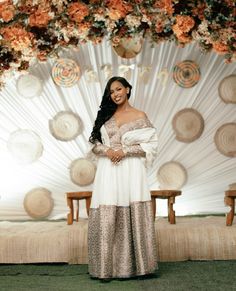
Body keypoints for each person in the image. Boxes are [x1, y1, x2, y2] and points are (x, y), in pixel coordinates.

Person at [88, 76, 158, 281]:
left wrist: (124, 151)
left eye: (119, 89)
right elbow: (93, 144)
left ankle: (140, 267)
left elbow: (151, 145)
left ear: (127, 89)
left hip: (131, 170)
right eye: (111, 91)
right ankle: (105, 268)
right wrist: (108, 150)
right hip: (108, 170)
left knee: (131, 205)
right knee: (108, 207)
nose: (116, 94)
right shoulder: (105, 115)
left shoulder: (140, 115)